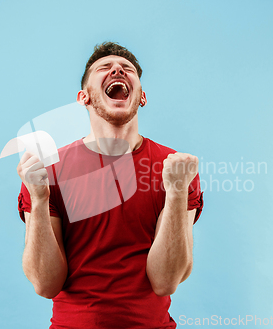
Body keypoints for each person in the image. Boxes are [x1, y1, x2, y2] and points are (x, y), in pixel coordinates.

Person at [17, 42, 204, 328]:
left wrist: (177, 192)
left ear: (141, 97)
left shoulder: (176, 168)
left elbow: (165, 281)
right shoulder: (48, 171)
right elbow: (45, 284)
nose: (117, 69)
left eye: (127, 69)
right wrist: (39, 199)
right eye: (104, 68)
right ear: (84, 97)